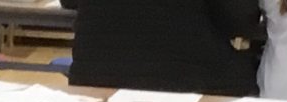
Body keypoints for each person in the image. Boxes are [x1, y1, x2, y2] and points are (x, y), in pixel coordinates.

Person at [65, 0, 267, 96]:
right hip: (185, 77)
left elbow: (68, 2)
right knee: (252, 72)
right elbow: (240, 21)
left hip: (94, 73)